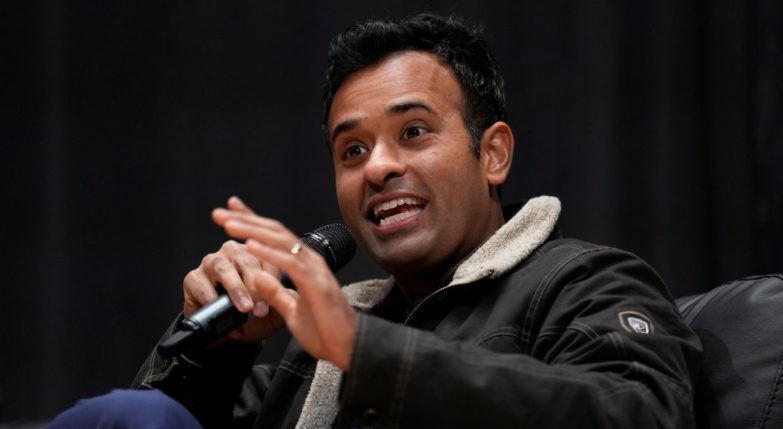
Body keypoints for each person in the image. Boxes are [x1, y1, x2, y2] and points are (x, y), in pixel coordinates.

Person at [50, 13, 700, 428]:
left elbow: (641, 414)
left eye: (413, 132)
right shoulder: (318, 348)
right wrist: (219, 350)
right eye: (351, 150)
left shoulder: (586, 280)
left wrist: (367, 353)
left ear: (492, 152)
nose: (378, 167)